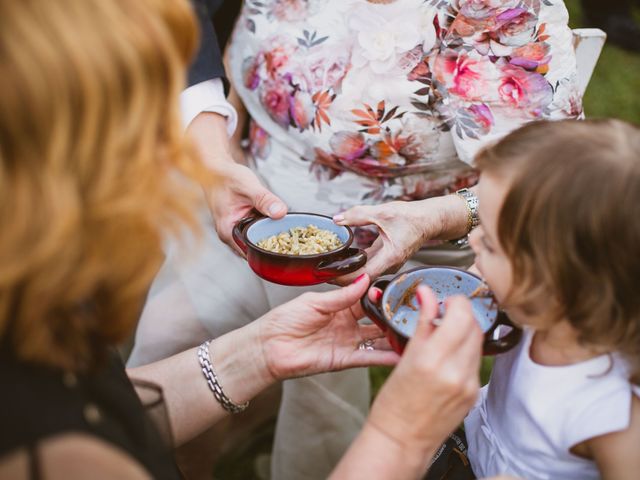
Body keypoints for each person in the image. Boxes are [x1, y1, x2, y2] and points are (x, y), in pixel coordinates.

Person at [0, 0, 487, 479]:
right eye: (154, 138)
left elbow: (108, 409)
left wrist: (258, 354)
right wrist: (399, 434)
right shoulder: (63, 457)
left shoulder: (32, 328)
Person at [129, 1, 584, 476]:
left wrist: (439, 217)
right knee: (166, 338)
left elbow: (548, 183)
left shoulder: (496, 8)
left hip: (409, 239)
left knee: (321, 383)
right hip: (253, 209)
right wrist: (216, 155)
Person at [367, 119, 640, 478]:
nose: (474, 241)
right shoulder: (533, 308)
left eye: (491, 243)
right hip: (468, 450)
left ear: (553, 280)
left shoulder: (612, 415)